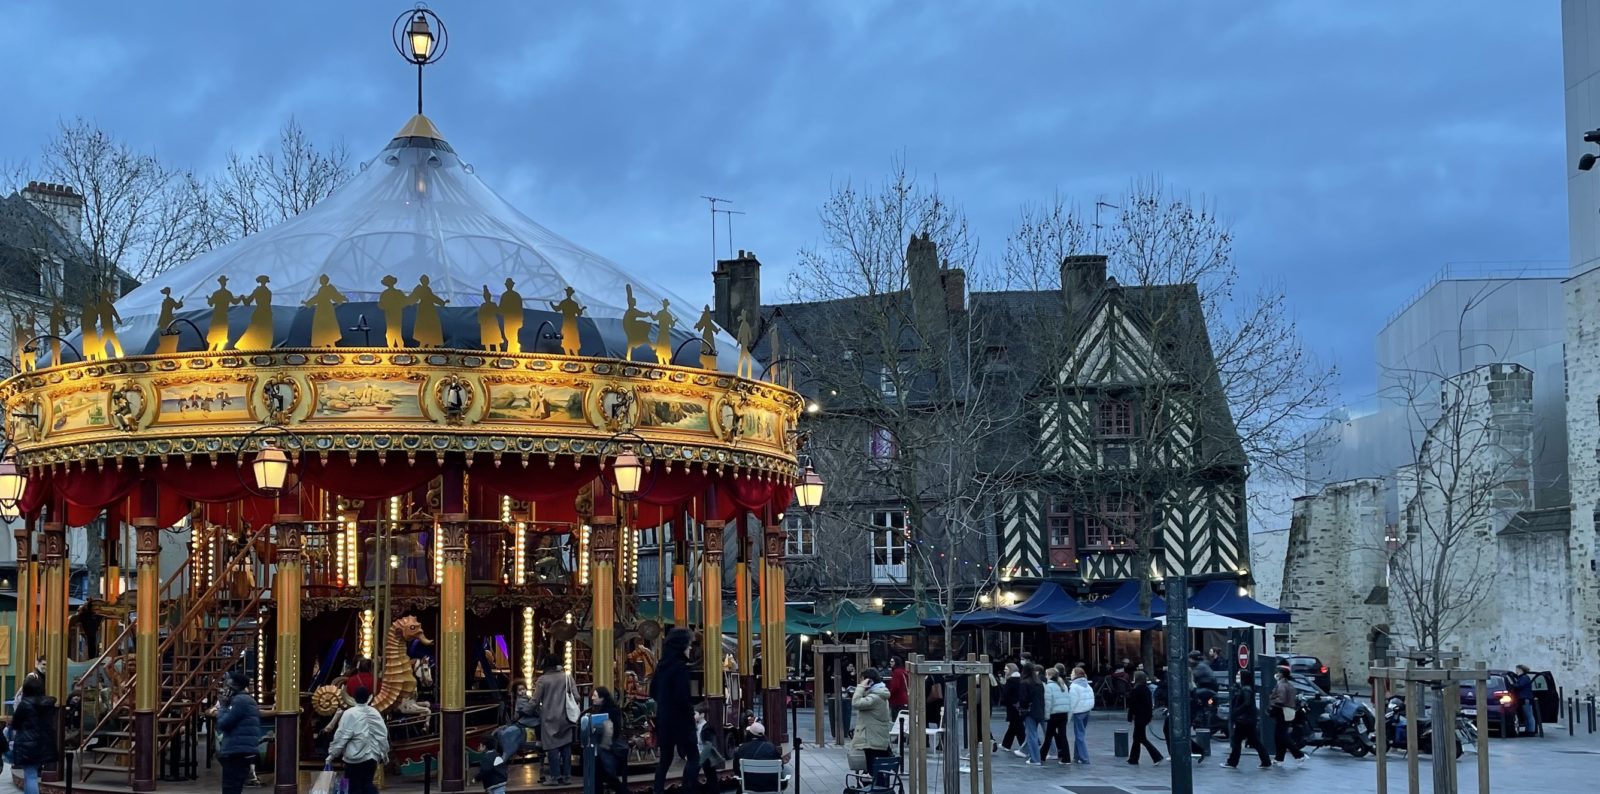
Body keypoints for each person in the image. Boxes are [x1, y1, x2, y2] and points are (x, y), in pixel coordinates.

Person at [652, 628, 700, 794]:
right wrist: (691, 713)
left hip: (664, 719)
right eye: (688, 645)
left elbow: (653, 691)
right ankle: (688, 789)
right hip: (681, 721)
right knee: (693, 757)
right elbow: (682, 697)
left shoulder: (661, 666)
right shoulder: (681, 668)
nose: (690, 648)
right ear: (682, 646)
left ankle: (658, 790)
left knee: (665, 759)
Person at [328, 687, 390, 794]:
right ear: (369, 698)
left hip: (354, 758)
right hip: (372, 756)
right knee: (367, 783)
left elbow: (342, 736)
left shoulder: (349, 713)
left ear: (354, 698)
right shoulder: (375, 712)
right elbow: (382, 735)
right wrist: (384, 753)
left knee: (353, 787)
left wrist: (332, 754)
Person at [535, 655, 581, 785]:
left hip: (549, 719)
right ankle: (567, 776)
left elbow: (535, 701)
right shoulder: (567, 677)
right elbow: (577, 697)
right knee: (566, 747)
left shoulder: (542, 680)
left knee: (552, 748)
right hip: (566, 718)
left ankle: (555, 777)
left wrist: (523, 712)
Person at [215, 670, 262, 794]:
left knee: (230, 788)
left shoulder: (240, 701)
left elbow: (223, 724)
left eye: (227, 685)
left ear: (234, 686)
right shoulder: (246, 700)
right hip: (241, 749)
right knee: (234, 787)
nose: (225, 688)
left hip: (236, 750)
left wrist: (223, 706)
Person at [9, 672, 57, 794]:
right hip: (43, 743)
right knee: (32, 774)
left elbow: (15, 723)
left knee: (30, 775)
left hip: (27, 743)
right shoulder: (48, 704)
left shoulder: (24, 705)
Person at [588, 687, 631, 794]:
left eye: (595, 696)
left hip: (608, 748)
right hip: (603, 747)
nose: (592, 698)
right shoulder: (599, 709)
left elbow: (614, 730)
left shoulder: (611, 711)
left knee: (605, 774)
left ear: (602, 698)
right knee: (600, 774)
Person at [1220, 683, 1271, 769]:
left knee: (1237, 741)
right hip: (1247, 721)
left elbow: (1246, 704)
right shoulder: (1246, 689)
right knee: (1254, 742)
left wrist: (1235, 713)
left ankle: (1232, 762)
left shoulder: (1246, 690)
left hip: (1243, 721)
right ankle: (1266, 761)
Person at [851, 668, 894, 771]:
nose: (860, 682)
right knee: (875, 770)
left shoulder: (875, 697)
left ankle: (875, 785)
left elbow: (856, 703)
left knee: (873, 770)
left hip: (872, 740)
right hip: (875, 738)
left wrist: (861, 687)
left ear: (869, 681)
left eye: (862, 680)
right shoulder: (878, 694)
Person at [732, 721, 788, 792]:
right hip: (772, 785)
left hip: (749, 786)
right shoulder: (771, 747)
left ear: (749, 733)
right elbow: (781, 767)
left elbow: (736, 769)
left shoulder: (742, 748)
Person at [1270, 667, 1306, 766]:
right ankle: (1279, 759)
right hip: (1289, 711)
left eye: (1277, 672)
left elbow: (1281, 700)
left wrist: (1272, 701)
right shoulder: (1289, 685)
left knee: (1281, 736)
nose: (1276, 674)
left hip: (1282, 711)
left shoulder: (1281, 685)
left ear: (1281, 674)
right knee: (1280, 736)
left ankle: (1299, 755)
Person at [1125, 671, 1163, 766]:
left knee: (1141, 738)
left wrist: (1130, 718)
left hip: (1139, 716)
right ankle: (1133, 758)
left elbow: (1132, 706)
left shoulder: (1137, 690)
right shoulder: (1146, 689)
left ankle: (1157, 756)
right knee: (1137, 738)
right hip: (1145, 716)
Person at [1042, 666, 1073, 765]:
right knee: (1062, 736)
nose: (1046, 676)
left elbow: (1048, 703)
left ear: (1050, 675)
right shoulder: (1063, 685)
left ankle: (1041, 756)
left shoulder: (1049, 687)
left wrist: (1046, 716)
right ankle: (1066, 758)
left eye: (1047, 674)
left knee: (1048, 736)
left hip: (1053, 714)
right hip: (1063, 713)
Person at [1067, 667, 1095, 764]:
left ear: (1075, 675)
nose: (1070, 674)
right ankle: (1077, 756)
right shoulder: (1087, 685)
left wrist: (1068, 717)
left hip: (1078, 712)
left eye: (1072, 672)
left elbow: (1072, 703)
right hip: (1086, 711)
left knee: (1079, 735)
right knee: (1080, 734)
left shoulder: (1074, 687)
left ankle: (1084, 757)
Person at [1018, 664, 1045, 765]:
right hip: (1040, 710)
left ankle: (1035, 758)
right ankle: (1034, 756)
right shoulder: (1039, 683)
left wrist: (1021, 706)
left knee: (1031, 735)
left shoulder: (1025, 683)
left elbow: (1023, 699)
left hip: (1029, 711)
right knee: (1033, 734)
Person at [694, 702, 723, 793]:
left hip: (706, 756)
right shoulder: (696, 726)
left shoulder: (707, 727)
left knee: (711, 777)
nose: (693, 715)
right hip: (698, 754)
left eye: (695, 713)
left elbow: (709, 745)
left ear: (702, 715)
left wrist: (701, 759)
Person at [999, 664, 1026, 756]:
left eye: (1006, 669)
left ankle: (1024, 747)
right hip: (1019, 706)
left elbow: (1006, 694)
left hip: (1012, 706)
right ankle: (1006, 744)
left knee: (1017, 726)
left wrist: (1003, 702)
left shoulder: (1010, 681)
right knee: (1014, 726)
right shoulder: (1021, 679)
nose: (1004, 670)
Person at [1512, 665, 1539, 735]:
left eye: (1517, 670)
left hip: (1526, 699)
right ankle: (1529, 730)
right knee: (1527, 715)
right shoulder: (1523, 677)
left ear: (1521, 670)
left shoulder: (1524, 678)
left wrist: (1512, 685)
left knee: (1529, 715)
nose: (1516, 671)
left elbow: (1519, 686)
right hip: (1524, 698)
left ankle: (1531, 731)